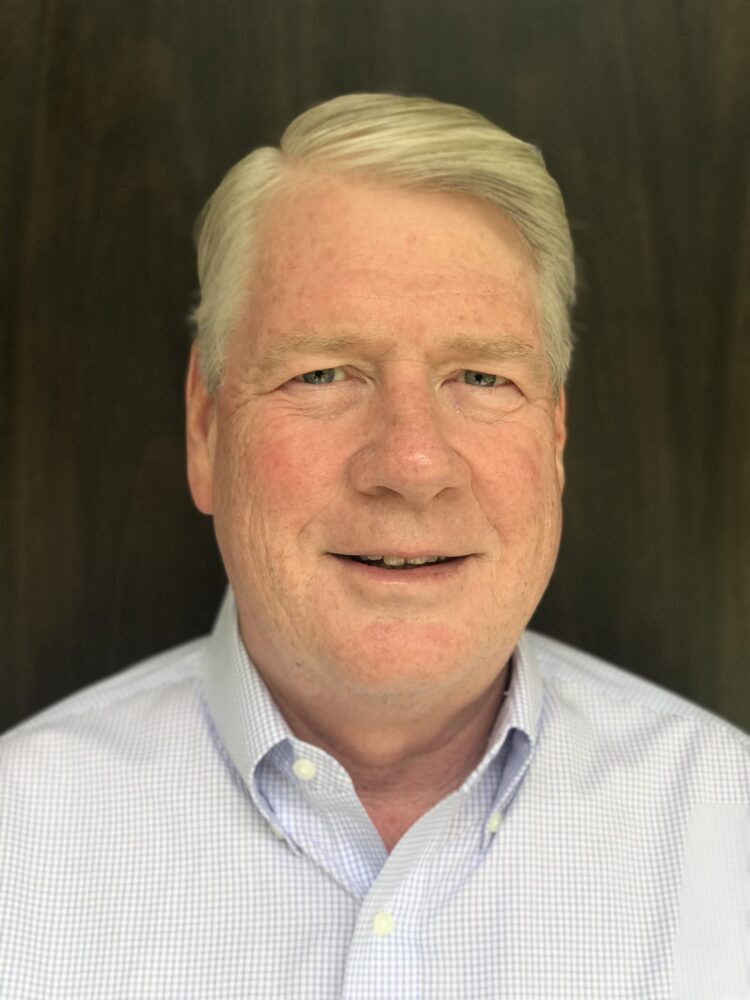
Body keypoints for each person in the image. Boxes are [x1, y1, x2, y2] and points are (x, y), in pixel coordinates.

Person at [2, 93, 748, 1000]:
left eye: (480, 376)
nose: (412, 462)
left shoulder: (729, 830)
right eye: (323, 373)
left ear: (555, 436)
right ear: (205, 427)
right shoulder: (20, 845)